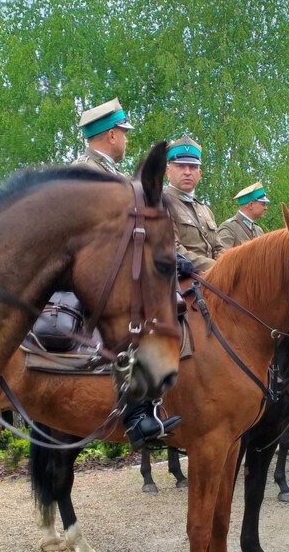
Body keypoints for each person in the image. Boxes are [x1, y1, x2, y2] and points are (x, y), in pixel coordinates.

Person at [69, 101, 178, 447]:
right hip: (93, 274)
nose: (127, 141)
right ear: (113, 134)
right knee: (133, 324)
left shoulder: (114, 176)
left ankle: (155, 402)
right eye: (125, 134)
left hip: (116, 269)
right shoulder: (83, 173)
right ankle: (134, 415)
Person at [163, 136, 220, 273]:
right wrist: (216, 267)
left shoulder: (205, 209)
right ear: (168, 171)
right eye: (181, 166)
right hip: (179, 282)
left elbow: (218, 248)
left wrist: (227, 263)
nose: (187, 172)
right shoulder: (161, 204)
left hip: (213, 280)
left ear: (200, 174)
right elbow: (172, 249)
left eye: (193, 167)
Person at [72, 97, 133, 176]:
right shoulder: (84, 171)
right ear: (112, 136)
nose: (126, 140)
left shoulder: (101, 169)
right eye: (124, 134)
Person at [217, 181, 270, 251]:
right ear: (251, 205)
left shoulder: (259, 231)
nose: (266, 208)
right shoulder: (229, 228)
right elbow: (222, 258)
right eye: (263, 204)